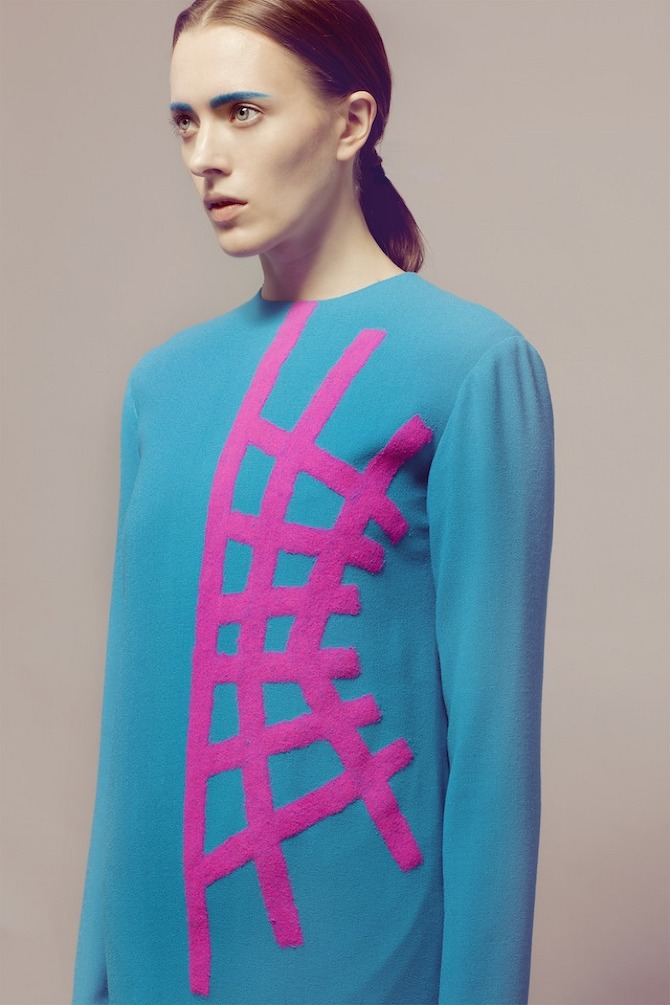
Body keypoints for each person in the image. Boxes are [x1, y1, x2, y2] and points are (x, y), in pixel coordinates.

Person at [72, 1, 555, 1002]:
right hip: (155, 958)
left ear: (351, 123)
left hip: (356, 955)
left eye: (241, 111)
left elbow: (494, 758)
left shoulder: (469, 366)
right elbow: (131, 735)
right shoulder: (160, 387)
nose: (205, 156)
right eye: (185, 121)